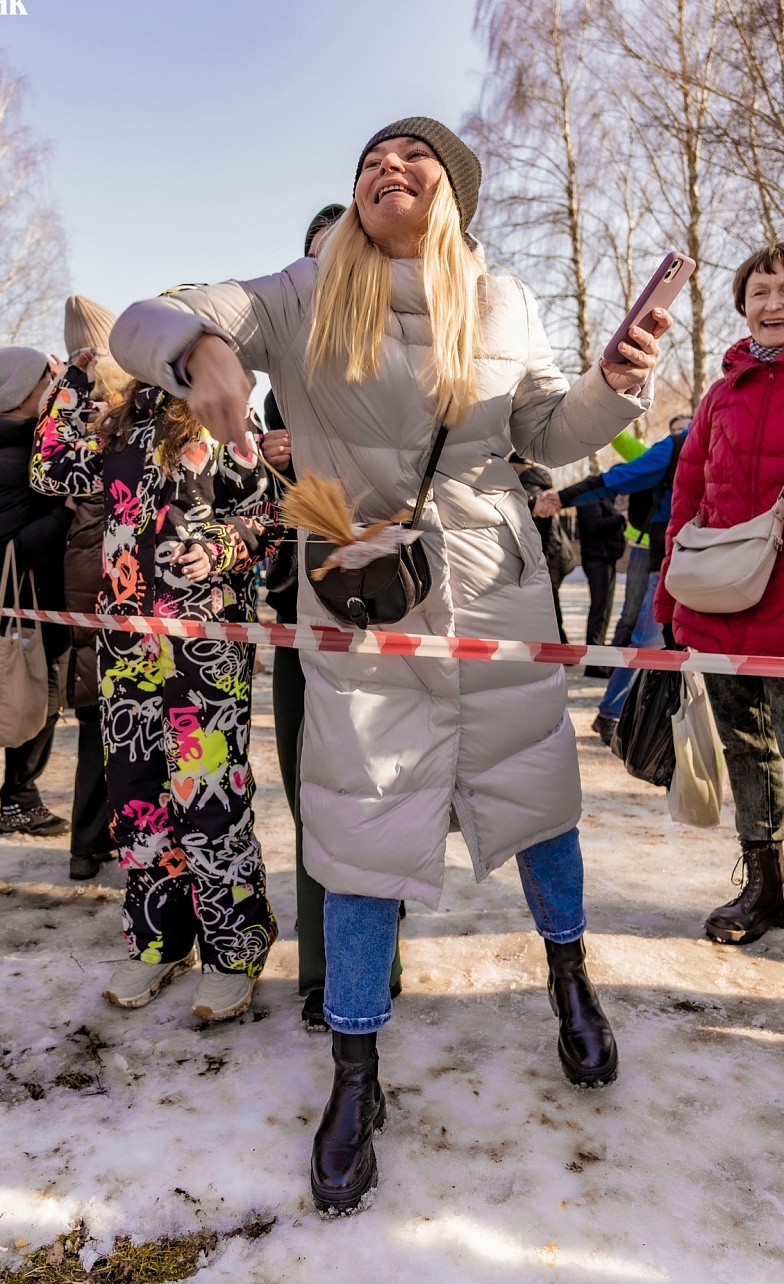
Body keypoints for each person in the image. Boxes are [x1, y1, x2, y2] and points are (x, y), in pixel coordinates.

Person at [110, 116, 665, 1212]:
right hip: (363, 599)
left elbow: (550, 432)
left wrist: (616, 384)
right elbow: (144, 317)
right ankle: (354, 1074)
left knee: (539, 800)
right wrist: (197, 349)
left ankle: (571, 982)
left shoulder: (501, 298)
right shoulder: (303, 291)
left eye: (410, 161)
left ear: (449, 194)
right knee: (359, 826)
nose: (385, 170)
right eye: (369, 162)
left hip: (496, 593)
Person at [31, 355, 283, 1022]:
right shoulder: (115, 430)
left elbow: (271, 518)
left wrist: (224, 548)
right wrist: (77, 379)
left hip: (204, 652)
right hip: (126, 652)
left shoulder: (225, 423)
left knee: (207, 800)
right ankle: (159, 941)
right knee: (137, 800)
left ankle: (238, 947)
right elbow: (48, 467)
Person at [263, 203, 405, 1031]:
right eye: (314, 265)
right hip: (299, 619)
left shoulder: (410, 372)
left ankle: (375, 956)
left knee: (381, 797)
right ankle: (326, 970)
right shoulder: (280, 381)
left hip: (392, 621)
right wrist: (272, 474)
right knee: (316, 795)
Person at [655, 242, 784, 945]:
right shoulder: (720, 393)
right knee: (746, 749)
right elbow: (687, 493)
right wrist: (671, 604)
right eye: (761, 291)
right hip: (722, 604)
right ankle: (764, 886)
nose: (774, 304)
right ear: (743, 306)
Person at [0, 346, 74, 837]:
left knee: (43, 699)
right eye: (47, 378)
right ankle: (18, 801)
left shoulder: (21, 442)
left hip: (43, 600)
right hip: (28, 602)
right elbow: (8, 549)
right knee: (33, 700)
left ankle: (20, 797)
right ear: (24, 392)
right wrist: (69, 511)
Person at [545, 413, 691, 743]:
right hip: (667, 560)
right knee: (643, 634)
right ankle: (613, 711)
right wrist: (565, 497)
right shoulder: (674, 448)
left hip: (720, 564)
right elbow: (621, 472)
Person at [61, 295, 132, 881]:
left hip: (90, 585)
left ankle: (89, 843)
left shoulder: (67, 403)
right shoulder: (115, 416)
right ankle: (98, 840)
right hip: (110, 587)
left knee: (99, 722)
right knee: (112, 725)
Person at [509, 454, 575, 643]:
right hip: (554, 552)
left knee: (546, 604)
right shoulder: (542, 487)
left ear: (514, 468)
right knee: (551, 601)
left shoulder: (525, 489)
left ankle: (557, 647)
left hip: (543, 553)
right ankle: (559, 645)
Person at [574, 493, 626, 676]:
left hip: (606, 558)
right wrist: (620, 517)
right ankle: (594, 662)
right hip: (597, 560)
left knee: (604, 611)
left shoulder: (603, 499)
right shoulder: (590, 499)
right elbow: (595, 525)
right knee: (599, 610)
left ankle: (598, 659)